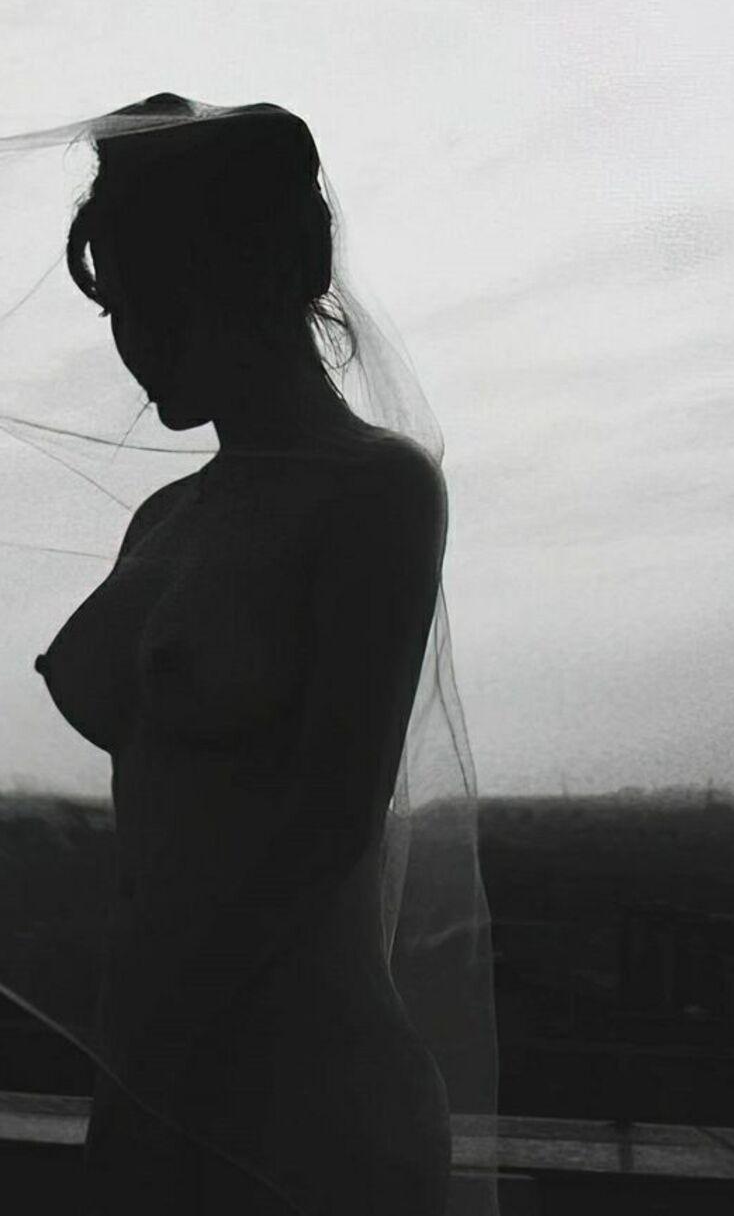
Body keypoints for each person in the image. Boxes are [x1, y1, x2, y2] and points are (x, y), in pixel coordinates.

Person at [37, 95, 457, 1213]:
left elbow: (328, 823)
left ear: (231, 282)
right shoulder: (164, 518)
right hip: (157, 1055)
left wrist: (160, 1057)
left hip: (300, 1085)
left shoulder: (378, 491)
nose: (130, 343)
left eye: (147, 299)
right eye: (116, 307)